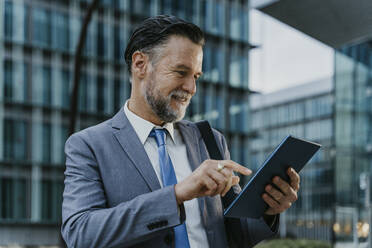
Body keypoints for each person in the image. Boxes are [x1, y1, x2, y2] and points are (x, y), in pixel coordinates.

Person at [61, 15, 300, 248]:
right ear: (140, 65)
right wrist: (176, 195)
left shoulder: (211, 140)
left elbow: (237, 235)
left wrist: (268, 209)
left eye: (196, 76)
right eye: (180, 72)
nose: (191, 88)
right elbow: (80, 233)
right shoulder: (88, 145)